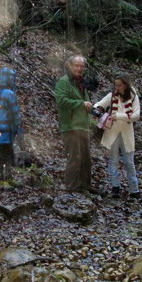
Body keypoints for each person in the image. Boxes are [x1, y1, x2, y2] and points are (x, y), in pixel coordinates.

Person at [93, 75, 140, 199]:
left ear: (125, 85)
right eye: (115, 85)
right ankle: (115, 187)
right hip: (112, 132)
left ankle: (134, 190)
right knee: (113, 160)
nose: (116, 87)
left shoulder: (133, 96)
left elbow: (136, 115)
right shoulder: (112, 95)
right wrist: (97, 109)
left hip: (126, 133)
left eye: (119, 85)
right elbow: (99, 104)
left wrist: (118, 116)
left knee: (129, 162)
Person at [55, 54, 93, 192]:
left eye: (82, 66)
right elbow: (61, 101)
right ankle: (71, 188)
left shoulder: (81, 82)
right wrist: (81, 104)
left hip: (83, 126)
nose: (79, 68)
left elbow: (86, 103)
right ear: (70, 66)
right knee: (74, 158)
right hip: (70, 126)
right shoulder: (64, 81)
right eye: (76, 65)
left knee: (86, 160)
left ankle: (85, 187)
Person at [0, 66, 22, 169]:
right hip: (8, 131)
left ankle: (1, 177)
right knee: (7, 156)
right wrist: (18, 128)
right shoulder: (10, 94)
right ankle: (6, 180)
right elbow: (15, 114)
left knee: (2, 156)